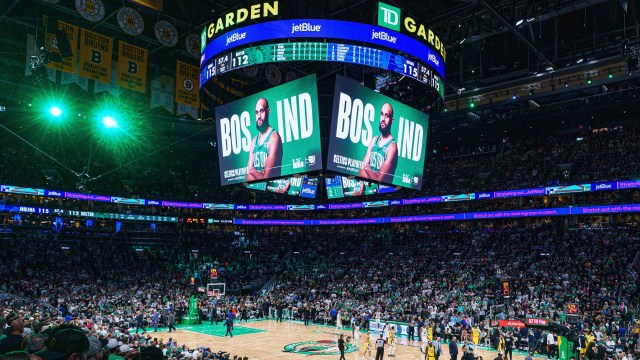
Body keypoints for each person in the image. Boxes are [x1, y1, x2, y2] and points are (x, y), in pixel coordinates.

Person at [359, 102, 398, 185]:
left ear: (392, 120)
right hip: (367, 193)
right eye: (382, 114)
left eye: (386, 116)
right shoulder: (374, 140)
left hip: (382, 194)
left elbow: (378, 182)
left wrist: (367, 168)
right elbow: (361, 171)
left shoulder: (392, 147)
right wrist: (372, 174)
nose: (383, 119)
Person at [246, 97, 283, 181]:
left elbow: (267, 178)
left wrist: (252, 170)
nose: (259, 116)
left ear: (268, 111)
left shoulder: (274, 138)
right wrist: (257, 174)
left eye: (261, 111)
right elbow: (247, 178)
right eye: (256, 112)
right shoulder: (254, 140)